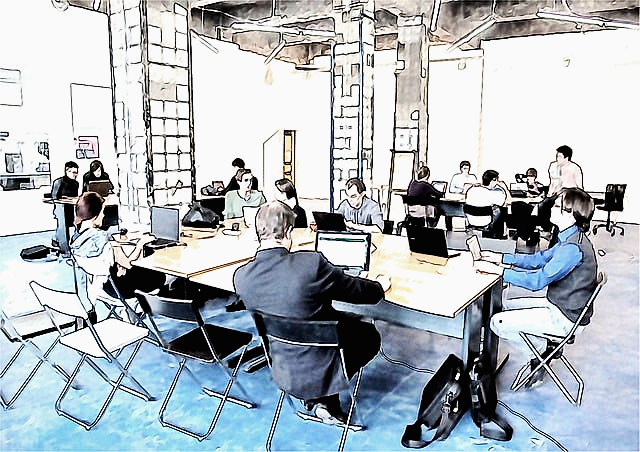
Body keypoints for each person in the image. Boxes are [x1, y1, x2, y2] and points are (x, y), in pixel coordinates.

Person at [233, 201, 390, 424]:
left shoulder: (241, 277)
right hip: (318, 354)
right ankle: (324, 393)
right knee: (369, 336)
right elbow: (359, 293)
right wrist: (379, 286)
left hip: (283, 366)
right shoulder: (311, 264)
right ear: (289, 231)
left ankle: (321, 399)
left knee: (339, 321)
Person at [474, 188, 597, 387]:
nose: (551, 208)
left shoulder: (572, 249)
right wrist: (501, 258)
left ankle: (539, 355)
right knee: (503, 306)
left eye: (557, 206)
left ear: (570, 214)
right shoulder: (570, 237)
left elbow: (537, 281)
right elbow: (539, 259)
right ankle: (544, 348)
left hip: (565, 316)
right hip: (561, 304)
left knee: (497, 321)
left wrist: (499, 271)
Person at [70, 192, 166, 311]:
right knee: (159, 275)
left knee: (137, 269)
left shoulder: (76, 240)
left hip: (101, 287)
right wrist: (140, 244)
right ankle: (151, 307)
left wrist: (117, 264)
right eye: (102, 211)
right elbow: (128, 263)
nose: (103, 215)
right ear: (95, 214)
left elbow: (108, 262)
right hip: (120, 290)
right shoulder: (102, 238)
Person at [539, 145, 584, 233]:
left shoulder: (575, 168)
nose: (557, 159)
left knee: (565, 214)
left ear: (566, 158)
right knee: (542, 205)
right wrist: (549, 195)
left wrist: (580, 200)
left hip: (570, 196)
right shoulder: (553, 166)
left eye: (559, 157)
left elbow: (580, 187)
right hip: (557, 194)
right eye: (557, 156)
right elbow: (553, 182)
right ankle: (547, 229)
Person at [465, 169, 512, 239]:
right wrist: (504, 187)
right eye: (497, 180)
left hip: (471, 221)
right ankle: (500, 236)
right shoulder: (494, 193)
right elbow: (509, 201)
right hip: (485, 222)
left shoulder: (471, 190)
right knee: (502, 209)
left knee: (495, 208)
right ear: (493, 180)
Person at [51, 161, 80, 254]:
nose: (75, 175)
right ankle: (65, 250)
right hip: (61, 207)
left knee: (76, 223)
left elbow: (75, 196)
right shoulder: (59, 182)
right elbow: (54, 197)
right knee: (63, 227)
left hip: (71, 207)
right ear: (67, 171)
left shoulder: (76, 184)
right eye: (73, 172)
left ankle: (56, 239)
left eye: (76, 172)